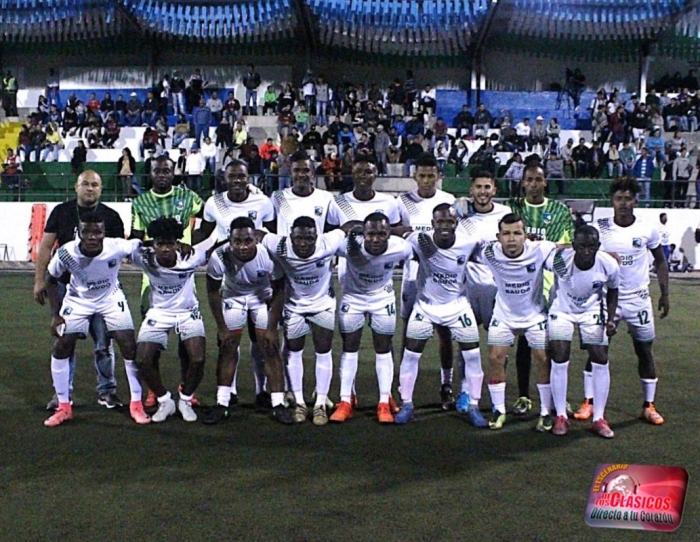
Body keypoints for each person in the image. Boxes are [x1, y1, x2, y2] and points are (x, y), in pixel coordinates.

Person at [575, 177, 669, 426]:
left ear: (635, 200)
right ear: (612, 201)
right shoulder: (601, 227)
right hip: (607, 300)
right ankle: (589, 401)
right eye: (619, 199)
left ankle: (649, 405)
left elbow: (660, 261)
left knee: (644, 351)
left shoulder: (648, 229)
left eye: (628, 199)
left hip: (638, 300)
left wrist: (664, 293)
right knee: (597, 350)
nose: (624, 203)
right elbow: (585, 256)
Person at [43, 210, 147, 426]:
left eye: (97, 232)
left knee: (128, 343)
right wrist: (55, 315)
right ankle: (64, 406)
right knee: (62, 345)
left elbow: (141, 244)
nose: (92, 237)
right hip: (78, 300)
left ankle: (136, 404)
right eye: (86, 232)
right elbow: (51, 278)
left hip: (110, 298)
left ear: (104, 233)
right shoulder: (66, 253)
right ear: (78, 233)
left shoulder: (117, 246)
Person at [33, 170, 125, 411]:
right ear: (76, 187)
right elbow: (44, 247)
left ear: (101, 189)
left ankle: (107, 391)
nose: (90, 188)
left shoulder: (112, 217)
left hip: (101, 291)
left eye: (95, 184)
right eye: (85, 184)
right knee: (66, 340)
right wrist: (39, 280)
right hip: (65, 287)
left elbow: (117, 253)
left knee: (104, 342)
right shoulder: (62, 212)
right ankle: (63, 395)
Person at [394, 204, 486, 427]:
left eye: (450, 222)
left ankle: (474, 405)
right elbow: (398, 232)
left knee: (473, 355)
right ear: (433, 223)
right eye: (440, 222)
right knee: (411, 354)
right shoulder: (420, 240)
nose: (445, 226)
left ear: (456, 223)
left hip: (458, 307)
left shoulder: (469, 243)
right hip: (426, 306)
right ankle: (407, 404)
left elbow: (494, 251)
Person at [195, 160, 276, 403]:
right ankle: (229, 392)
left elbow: (270, 234)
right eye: (233, 176)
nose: (238, 180)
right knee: (230, 338)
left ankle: (261, 389)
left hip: (257, 278)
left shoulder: (263, 202)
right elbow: (204, 232)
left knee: (258, 338)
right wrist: (187, 244)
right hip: (229, 277)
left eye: (242, 176)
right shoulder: (214, 203)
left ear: (248, 177)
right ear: (224, 178)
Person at [205, 217, 295, 425]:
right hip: (233, 297)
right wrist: (221, 327)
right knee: (227, 347)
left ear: (255, 238)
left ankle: (278, 404)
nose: (243, 246)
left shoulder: (268, 256)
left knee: (270, 347)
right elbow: (211, 291)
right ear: (230, 240)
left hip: (261, 298)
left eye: (248, 240)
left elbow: (280, 290)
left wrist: (272, 327)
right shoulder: (220, 256)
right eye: (237, 241)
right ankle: (222, 403)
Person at [130, 154, 204, 407]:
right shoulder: (140, 203)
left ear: (174, 173)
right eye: (157, 170)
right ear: (150, 173)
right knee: (152, 342)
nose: (162, 174)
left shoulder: (188, 197)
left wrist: (192, 242)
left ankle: (186, 388)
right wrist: (161, 246)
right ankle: (154, 391)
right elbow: (136, 238)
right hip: (151, 281)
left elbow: (211, 217)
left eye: (166, 170)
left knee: (188, 342)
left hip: (183, 276)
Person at [261, 216, 350, 425]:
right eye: (298, 238)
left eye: (309, 238)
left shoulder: (328, 242)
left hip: (323, 306)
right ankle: (299, 401)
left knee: (323, 350)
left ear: (316, 237)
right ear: (290, 236)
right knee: (294, 351)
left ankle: (319, 403)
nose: (303, 243)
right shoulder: (280, 245)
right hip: (295, 307)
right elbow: (259, 235)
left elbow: (347, 226)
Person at [328, 213, 410, 424]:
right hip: (353, 299)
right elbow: (322, 246)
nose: (375, 239)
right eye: (370, 234)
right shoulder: (347, 246)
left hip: (382, 300)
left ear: (388, 233)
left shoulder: (400, 247)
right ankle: (345, 400)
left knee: (383, 348)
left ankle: (384, 400)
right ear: (362, 234)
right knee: (350, 347)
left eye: (381, 233)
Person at [508, 163, 574, 416]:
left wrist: (542, 245)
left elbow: (567, 247)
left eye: (538, 179)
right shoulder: (513, 209)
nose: (534, 184)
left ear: (545, 182)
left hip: (553, 287)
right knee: (525, 344)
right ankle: (524, 396)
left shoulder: (559, 211)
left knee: (556, 347)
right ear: (523, 182)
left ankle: (559, 397)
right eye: (529, 179)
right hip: (524, 287)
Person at [131, 217, 212, 423]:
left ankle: (184, 399)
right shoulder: (144, 257)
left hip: (187, 311)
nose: (165, 249)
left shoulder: (191, 257)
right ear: (154, 244)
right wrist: (145, 244)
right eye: (160, 244)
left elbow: (216, 241)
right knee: (142, 359)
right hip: (159, 312)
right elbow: (125, 245)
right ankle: (165, 401)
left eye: (170, 243)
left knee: (198, 359)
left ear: (177, 244)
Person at [482, 213, 557, 431]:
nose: (512, 239)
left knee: (543, 358)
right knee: (495, 357)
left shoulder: (540, 249)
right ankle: (498, 410)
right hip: (504, 315)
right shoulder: (489, 252)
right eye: (506, 233)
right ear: (498, 236)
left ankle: (545, 412)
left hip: (534, 316)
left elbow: (565, 247)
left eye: (517, 233)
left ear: (526, 236)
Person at [546, 226, 620, 438]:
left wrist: (611, 318)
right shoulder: (560, 260)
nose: (586, 251)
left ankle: (599, 417)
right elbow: (538, 254)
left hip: (591, 311)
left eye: (591, 247)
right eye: (581, 246)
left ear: (598, 246)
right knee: (560, 357)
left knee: (600, 357)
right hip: (562, 310)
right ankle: (561, 415)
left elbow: (614, 290)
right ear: (574, 246)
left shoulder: (608, 264)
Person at [397, 152, 457, 409]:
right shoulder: (402, 202)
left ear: (438, 176)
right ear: (414, 176)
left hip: (442, 279)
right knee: (408, 334)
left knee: (445, 332)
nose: (426, 180)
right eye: (421, 175)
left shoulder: (448, 200)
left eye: (431, 175)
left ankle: (447, 384)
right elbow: (398, 233)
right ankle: (403, 388)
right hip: (412, 276)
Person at [452, 169, 510, 412]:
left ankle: (498, 394)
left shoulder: (505, 215)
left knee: (499, 348)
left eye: (487, 187)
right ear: (471, 190)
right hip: (468, 290)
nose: (483, 192)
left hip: (498, 291)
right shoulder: (460, 216)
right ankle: (465, 391)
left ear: (494, 190)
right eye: (478, 187)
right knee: (467, 344)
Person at [271, 150, 342, 236]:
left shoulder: (326, 198)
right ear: (290, 173)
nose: (301, 174)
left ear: (312, 174)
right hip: (285, 249)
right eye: (296, 170)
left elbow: (331, 231)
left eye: (306, 170)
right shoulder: (278, 197)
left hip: (316, 249)